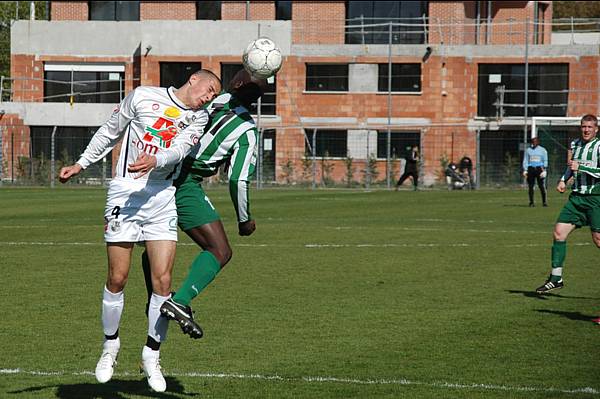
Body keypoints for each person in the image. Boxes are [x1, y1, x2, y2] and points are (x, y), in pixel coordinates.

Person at [58, 69, 221, 392]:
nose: (209, 96)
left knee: (162, 281)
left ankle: (151, 354)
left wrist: (155, 160)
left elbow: (179, 151)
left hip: (162, 197)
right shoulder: (144, 95)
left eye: (215, 95)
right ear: (193, 80)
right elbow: (110, 131)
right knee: (117, 277)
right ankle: (110, 346)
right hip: (125, 193)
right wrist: (81, 164)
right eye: (210, 89)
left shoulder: (199, 119)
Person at [129, 69, 264, 339]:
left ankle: (155, 304)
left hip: (156, 175)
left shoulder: (214, 100)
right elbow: (237, 179)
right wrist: (244, 220)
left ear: (235, 84)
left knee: (155, 244)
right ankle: (178, 302)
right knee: (220, 250)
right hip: (183, 181)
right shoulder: (247, 131)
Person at [535, 114, 600, 294]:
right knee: (559, 233)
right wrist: (564, 180)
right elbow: (571, 166)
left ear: (596, 129)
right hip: (576, 199)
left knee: (598, 239)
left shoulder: (599, 146)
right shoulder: (575, 145)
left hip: (596, 198)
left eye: (589, 127)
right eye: (583, 126)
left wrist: (583, 168)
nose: (586, 130)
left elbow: (584, 167)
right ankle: (556, 278)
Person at [522, 137, 548, 207]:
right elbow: (526, 160)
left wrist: (544, 169)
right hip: (531, 168)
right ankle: (531, 202)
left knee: (541, 186)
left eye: (535, 142)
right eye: (533, 142)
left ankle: (544, 202)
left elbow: (545, 160)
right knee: (531, 186)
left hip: (539, 168)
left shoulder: (543, 150)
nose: (534, 143)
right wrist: (525, 169)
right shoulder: (528, 150)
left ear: (538, 142)